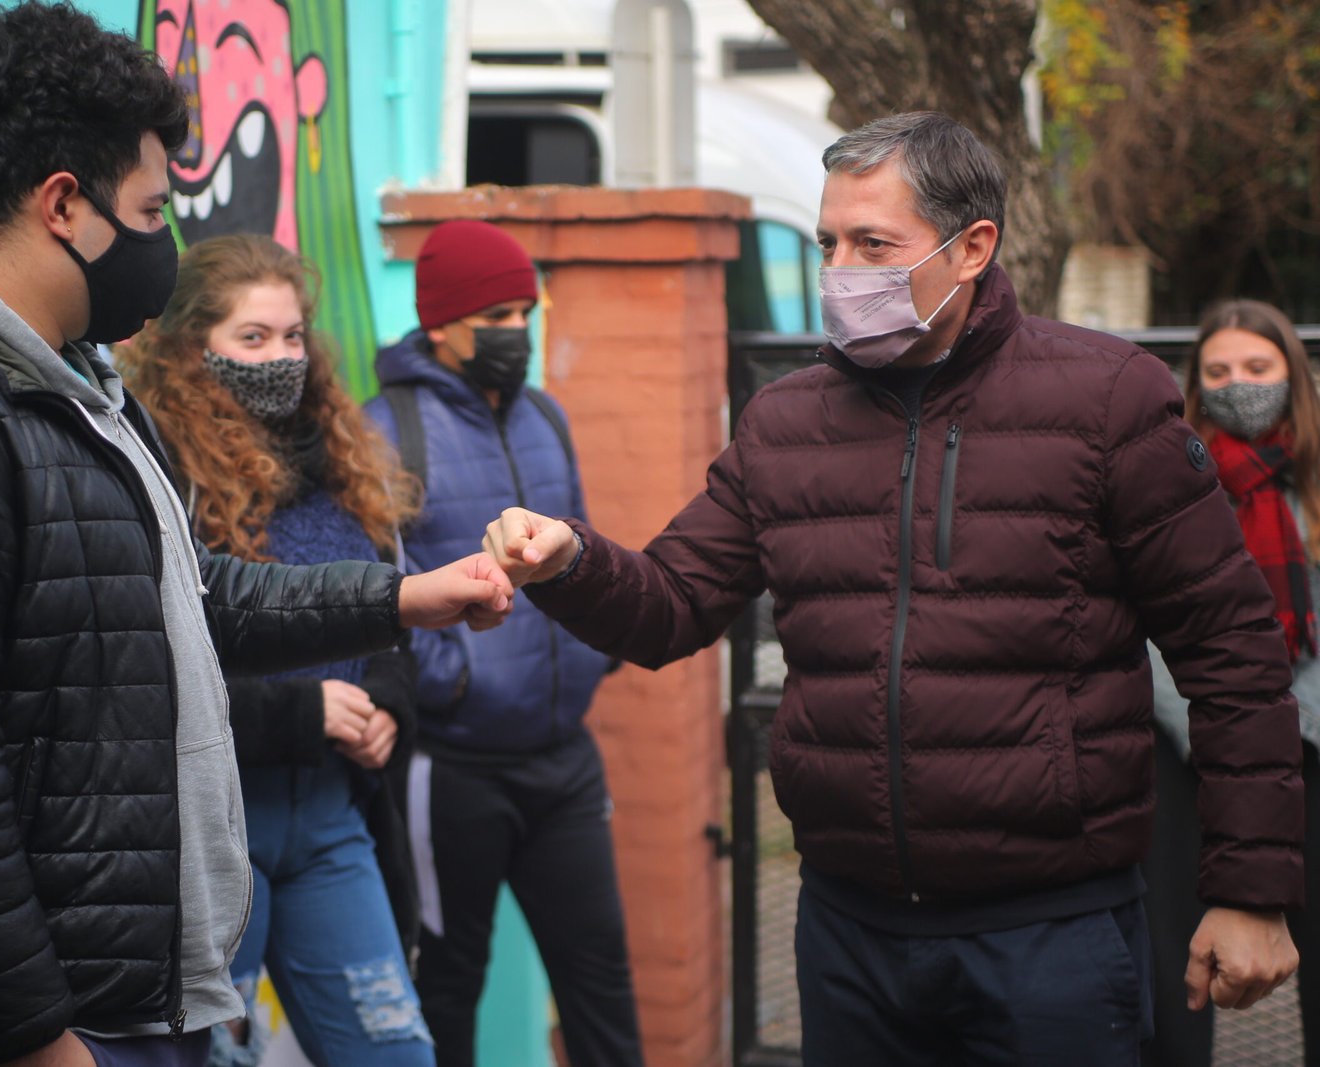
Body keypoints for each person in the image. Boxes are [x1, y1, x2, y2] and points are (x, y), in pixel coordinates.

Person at [0, 6, 510, 1067]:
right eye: (151, 209)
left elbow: (181, 593)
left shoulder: (65, 378)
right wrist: (33, 1040)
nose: (163, 243)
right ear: (64, 203)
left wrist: (403, 597)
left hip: (102, 991)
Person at [482, 111, 1304, 1066]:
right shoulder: (784, 422)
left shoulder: (1106, 398)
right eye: (829, 243)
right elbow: (671, 603)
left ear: (973, 249)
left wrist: (1250, 891)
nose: (841, 270)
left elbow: (1231, 649)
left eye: (873, 244)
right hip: (850, 937)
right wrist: (571, 561)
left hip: (1051, 937)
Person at [119, 233, 435, 1066]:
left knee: (394, 1051)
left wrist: (387, 705)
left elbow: (387, 612)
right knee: (218, 1058)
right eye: (252, 338)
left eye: (292, 336)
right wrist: (302, 710)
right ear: (192, 348)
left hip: (333, 817)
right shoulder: (161, 471)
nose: (280, 358)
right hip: (215, 830)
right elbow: (149, 668)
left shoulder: (342, 459)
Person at [361, 219, 643, 1067]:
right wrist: (457, 684)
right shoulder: (383, 433)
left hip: (565, 760)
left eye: (525, 313)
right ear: (441, 323)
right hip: (455, 769)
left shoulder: (544, 415)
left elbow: (579, 551)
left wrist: (595, 650)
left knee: (601, 982)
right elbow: (371, 596)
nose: (516, 332)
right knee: (447, 989)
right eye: (496, 317)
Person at [1141, 299, 1320, 1067]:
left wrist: (1287, 721)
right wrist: (1208, 721)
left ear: (1292, 376)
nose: (1237, 384)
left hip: (1310, 744)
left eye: (1256, 367)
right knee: (1168, 971)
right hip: (1181, 747)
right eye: (1217, 371)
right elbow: (1145, 623)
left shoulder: (1312, 485)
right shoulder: (1164, 484)